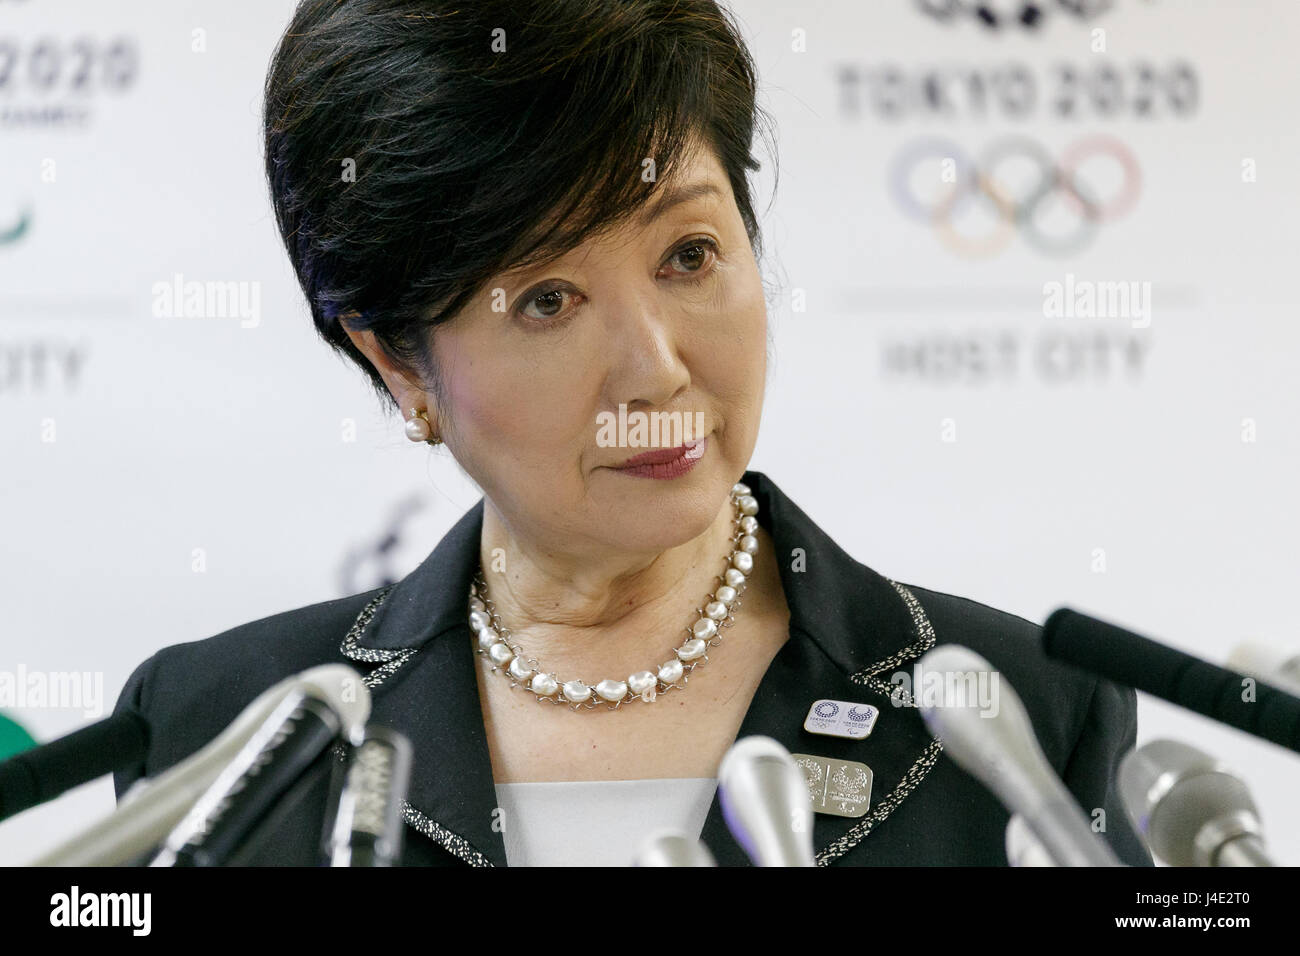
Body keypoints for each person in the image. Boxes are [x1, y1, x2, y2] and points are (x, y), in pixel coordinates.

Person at [112, 0, 1152, 867]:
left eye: (689, 254)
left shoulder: (1021, 715)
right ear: (398, 361)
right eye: (549, 299)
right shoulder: (218, 724)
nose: (655, 365)